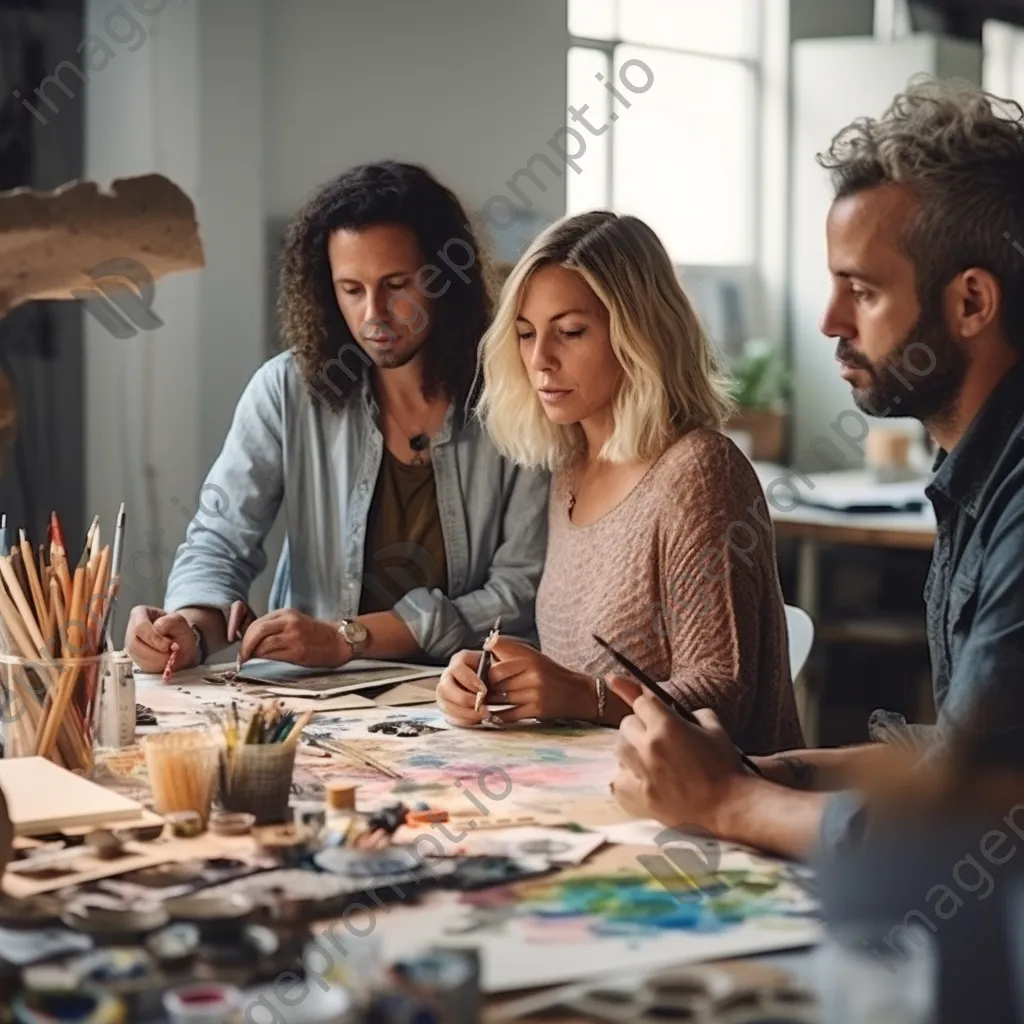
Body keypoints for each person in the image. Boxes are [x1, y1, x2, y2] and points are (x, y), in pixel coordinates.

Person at [611, 78, 1024, 859]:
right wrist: (774, 773)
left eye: (861, 291)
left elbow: (966, 817)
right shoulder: (979, 468)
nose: (830, 321)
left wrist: (730, 802)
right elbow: (965, 749)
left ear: (971, 304)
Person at [125, 161, 548, 674]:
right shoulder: (286, 391)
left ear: (444, 279)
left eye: (396, 284)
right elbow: (220, 540)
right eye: (352, 289)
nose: (374, 314)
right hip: (319, 702)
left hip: (466, 696)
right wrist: (188, 627)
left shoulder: (516, 398)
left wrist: (351, 638)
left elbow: (519, 592)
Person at [435, 211, 804, 755]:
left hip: (710, 809)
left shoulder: (699, 472)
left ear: (640, 333)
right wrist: (492, 681)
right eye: (526, 334)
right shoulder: (570, 469)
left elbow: (722, 696)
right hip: (595, 786)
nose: (540, 360)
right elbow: (581, 668)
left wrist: (584, 695)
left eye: (571, 332)